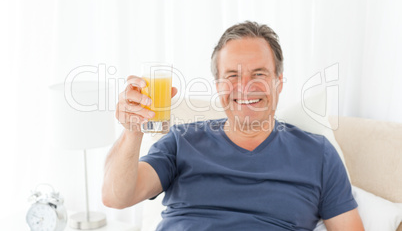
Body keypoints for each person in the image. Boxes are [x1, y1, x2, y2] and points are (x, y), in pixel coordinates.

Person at [102, 21, 364, 230]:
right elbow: (116, 197)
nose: (245, 87)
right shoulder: (181, 141)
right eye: (232, 75)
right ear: (218, 85)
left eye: (259, 74)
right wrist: (132, 131)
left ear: (279, 82)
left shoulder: (318, 154)